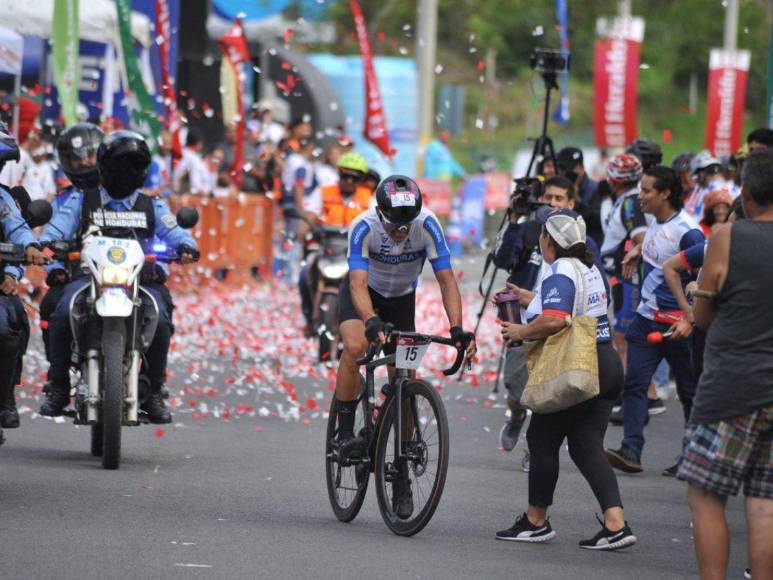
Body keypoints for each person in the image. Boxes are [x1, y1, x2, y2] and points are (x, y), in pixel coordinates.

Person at [334, 175, 475, 516]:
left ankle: (401, 472)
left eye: (406, 225)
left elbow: (446, 280)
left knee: (405, 377)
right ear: (379, 213)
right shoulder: (363, 227)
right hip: (364, 296)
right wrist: (370, 319)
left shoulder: (427, 224)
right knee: (355, 348)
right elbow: (357, 284)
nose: (400, 232)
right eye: (394, 225)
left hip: (400, 300)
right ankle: (345, 430)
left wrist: (457, 328)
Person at [496, 210, 636, 550]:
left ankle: (535, 522)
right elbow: (573, 308)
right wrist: (529, 299)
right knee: (586, 445)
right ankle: (616, 525)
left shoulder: (560, 269)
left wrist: (520, 331)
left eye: (542, 236)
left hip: (579, 366)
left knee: (542, 438)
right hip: (606, 365)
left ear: (549, 241)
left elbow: (556, 320)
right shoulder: (588, 268)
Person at [38, 131, 198, 423]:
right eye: (119, 165)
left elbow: (176, 232)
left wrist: (186, 246)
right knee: (61, 311)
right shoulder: (82, 200)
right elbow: (55, 231)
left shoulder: (153, 205)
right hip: (88, 277)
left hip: (141, 280)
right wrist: (49, 247)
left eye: (133, 165)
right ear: (104, 166)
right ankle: (58, 386)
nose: (125, 171)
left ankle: (155, 390)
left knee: (162, 319)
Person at [678, 148, 773, 580]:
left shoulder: (727, 238)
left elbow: (702, 318)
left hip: (731, 385)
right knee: (764, 503)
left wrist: (701, 293)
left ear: (745, 193)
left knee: (706, 495)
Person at [495, 177, 607, 459]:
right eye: (549, 198)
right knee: (516, 388)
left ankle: (535, 450)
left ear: (571, 203)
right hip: (526, 324)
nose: (553, 204)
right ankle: (517, 415)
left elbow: (595, 290)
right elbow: (502, 259)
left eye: (560, 199)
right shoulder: (532, 231)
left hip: (560, 332)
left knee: (548, 395)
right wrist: (513, 220)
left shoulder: (582, 244)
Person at [605, 166, 704, 475]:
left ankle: (692, 459)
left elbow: (704, 279)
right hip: (646, 319)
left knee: (689, 393)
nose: (640, 196)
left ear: (665, 193)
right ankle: (631, 450)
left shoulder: (689, 232)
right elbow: (659, 249)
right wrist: (638, 250)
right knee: (634, 384)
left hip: (678, 327)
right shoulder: (655, 222)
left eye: (646, 191)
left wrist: (689, 319)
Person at [41, 123, 104, 360]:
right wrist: (55, 268)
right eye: (77, 158)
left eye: (90, 155)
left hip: (122, 273)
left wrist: (157, 265)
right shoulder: (64, 200)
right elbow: (50, 239)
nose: (85, 162)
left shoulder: (120, 192)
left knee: (159, 311)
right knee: (54, 307)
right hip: (79, 274)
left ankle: (154, 377)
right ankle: (58, 375)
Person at [0, 122, 47, 437]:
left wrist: (24, 254)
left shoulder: (3, 198)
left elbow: (17, 229)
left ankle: (4, 399)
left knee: (9, 325)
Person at [299, 152, 371, 336]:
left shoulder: (369, 199)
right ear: (338, 174)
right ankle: (309, 320)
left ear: (361, 180)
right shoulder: (323, 191)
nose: (348, 181)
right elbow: (310, 214)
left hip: (353, 252)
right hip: (325, 248)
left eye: (354, 178)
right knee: (304, 273)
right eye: (344, 176)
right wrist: (303, 230)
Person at [172, 129, 210, 195]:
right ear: (198, 143)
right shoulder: (193, 159)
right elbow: (195, 183)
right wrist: (205, 191)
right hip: (184, 193)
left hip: (174, 190)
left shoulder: (182, 153)